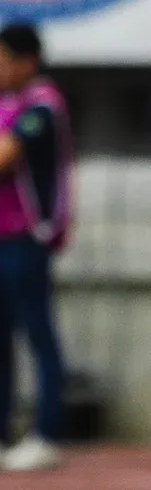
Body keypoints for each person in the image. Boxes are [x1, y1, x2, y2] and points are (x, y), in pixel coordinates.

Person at [0, 24, 73, 472]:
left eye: (4, 59)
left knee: (38, 334)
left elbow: (7, 156)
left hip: (28, 237)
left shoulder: (42, 105)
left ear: (28, 61)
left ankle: (47, 432)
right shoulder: (9, 104)